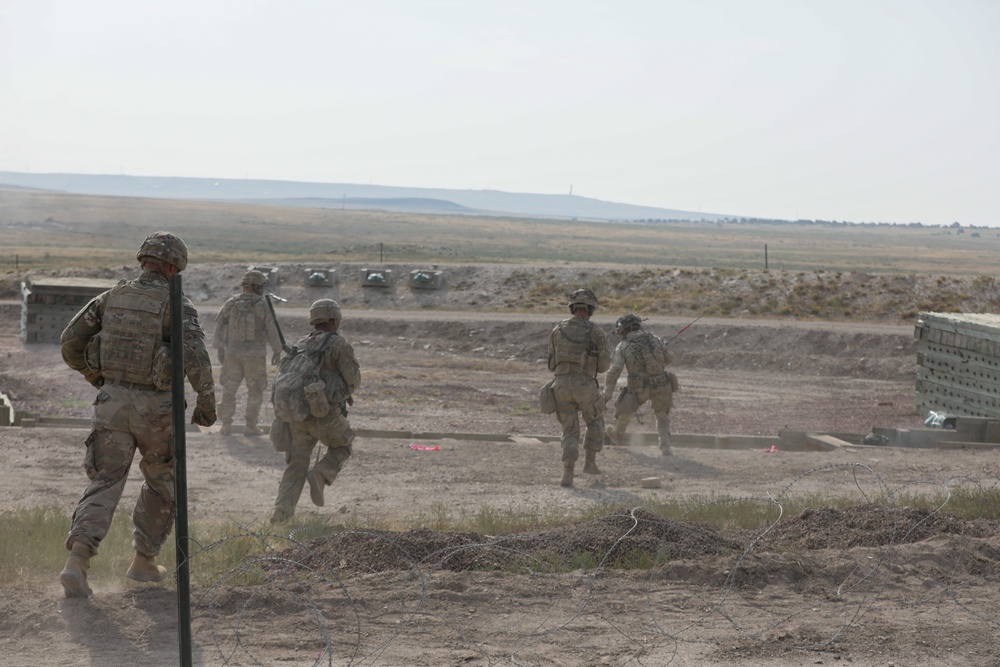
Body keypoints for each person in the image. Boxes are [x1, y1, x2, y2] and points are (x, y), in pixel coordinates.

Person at [58, 231, 217, 598]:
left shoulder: (110, 297)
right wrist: (206, 406)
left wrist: (95, 376)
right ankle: (143, 561)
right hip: (157, 411)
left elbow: (70, 342)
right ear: (174, 267)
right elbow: (196, 359)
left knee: (104, 482)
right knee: (163, 481)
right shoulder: (177, 303)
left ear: (143, 260)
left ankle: (76, 563)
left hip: (111, 404)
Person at [270, 299, 360, 524]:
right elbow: (354, 380)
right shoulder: (339, 344)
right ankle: (321, 474)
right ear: (334, 319)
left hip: (298, 415)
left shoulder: (301, 343)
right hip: (325, 414)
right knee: (343, 445)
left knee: (297, 462)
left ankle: (281, 513)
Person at [547, 288, 611, 487]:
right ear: (591, 309)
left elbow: (551, 364)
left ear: (572, 307)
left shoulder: (557, 330)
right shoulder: (596, 332)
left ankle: (568, 471)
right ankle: (590, 463)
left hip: (561, 385)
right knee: (595, 421)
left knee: (569, 430)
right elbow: (603, 367)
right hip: (585, 386)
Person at [213, 269, 283, 436]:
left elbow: (219, 326)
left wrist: (220, 348)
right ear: (259, 286)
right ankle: (250, 427)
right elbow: (272, 329)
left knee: (229, 389)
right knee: (255, 390)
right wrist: (277, 350)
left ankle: (226, 425)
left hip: (232, 354)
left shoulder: (231, 303)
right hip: (255, 356)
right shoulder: (263, 305)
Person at [603, 313, 678, 455]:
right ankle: (665, 447)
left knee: (624, 413)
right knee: (663, 416)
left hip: (638, 388)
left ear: (626, 329)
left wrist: (607, 394)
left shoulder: (622, 346)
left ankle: (617, 435)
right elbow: (670, 358)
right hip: (661, 384)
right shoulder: (656, 340)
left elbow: (614, 372)